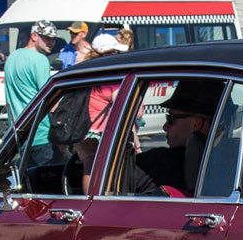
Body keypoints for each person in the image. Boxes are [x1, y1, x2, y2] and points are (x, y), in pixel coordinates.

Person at [77, 79, 223, 196]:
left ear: (196, 124)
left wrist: (90, 158)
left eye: (171, 118)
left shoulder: (161, 162)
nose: (165, 126)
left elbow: (95, 199)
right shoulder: (231, 156)